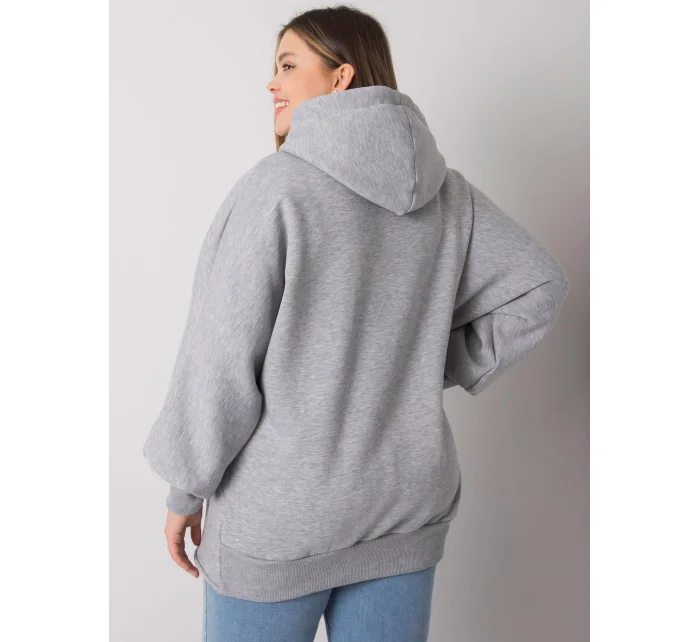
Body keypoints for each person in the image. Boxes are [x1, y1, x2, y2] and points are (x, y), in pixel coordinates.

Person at [142, 5, 569, 641]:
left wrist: (185, 491)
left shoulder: (275, 190)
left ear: (340, 77)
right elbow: (537, 287)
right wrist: (421, 362)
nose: (272, 83)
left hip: (281, 525)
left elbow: (219, 362)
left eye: (289, 65)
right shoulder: (447, 194)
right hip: (402, 510)